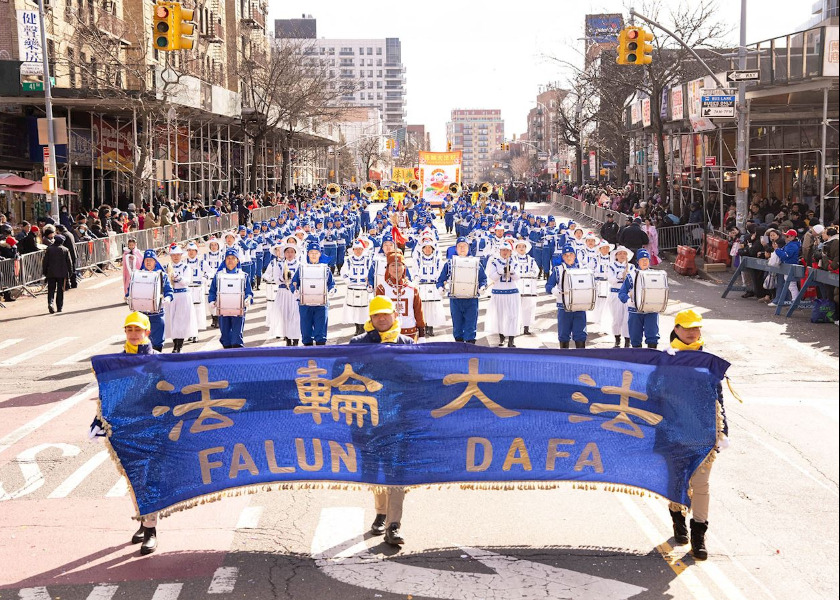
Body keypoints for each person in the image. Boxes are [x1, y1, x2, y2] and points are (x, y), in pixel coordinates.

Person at [88, 312, 162, 555]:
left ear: (147, 332)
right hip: (125, 429)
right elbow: (108, 395)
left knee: (148, 477)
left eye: (137, 330)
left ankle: (151, 531)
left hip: (151, 429)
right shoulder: (116, 363)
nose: (133, 334)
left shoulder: (159, 361)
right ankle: (144, 520)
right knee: (133, 479)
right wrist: (100, 419)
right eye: (129, 330)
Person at [348, 296, 415, 545]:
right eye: (377, 315)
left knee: (396, 472)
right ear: (371, 318)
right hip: (367, 418)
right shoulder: (358, 344)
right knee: (375, 470)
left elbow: (416, 377)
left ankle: (394, 525)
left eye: (386, 314)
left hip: (398, 418)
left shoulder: (406, 342)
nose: (382, 319)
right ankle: (381, 514)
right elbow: (343, 374)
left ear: (394, 315)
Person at [664, 309, 727, 560]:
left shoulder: (708, 361)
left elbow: (718, 397)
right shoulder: (665, 360)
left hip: (704, 431)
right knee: (678, 482)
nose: (692, 332)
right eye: (687, 327)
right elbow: (652, 392)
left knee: (701, 485)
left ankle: (699, 536)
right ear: (676, 329)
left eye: (696, 328)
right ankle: (678, 519)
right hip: (673, 431)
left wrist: (724, 430)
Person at [436, 237, 487, 344]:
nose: (462, 248)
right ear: (456, 248)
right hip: (456, 299)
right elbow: (440, 280)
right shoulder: (449, 264)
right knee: (457, 325)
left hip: (471, 299)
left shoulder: (476, 263)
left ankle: (469, 349)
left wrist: (482, 287)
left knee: (471, 325)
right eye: (460, 246)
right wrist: (441, 288)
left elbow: (483, 278)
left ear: (468, 248)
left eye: (464, 246)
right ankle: (459, 348)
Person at [128, 250, 175, 352]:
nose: (148, 262)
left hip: (157, 314)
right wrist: (128, 296)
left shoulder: (162, 276)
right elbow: (130, 290)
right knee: (141, 339)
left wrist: (167, 298)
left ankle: (156, 362)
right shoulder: (138, 275)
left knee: (157, 339)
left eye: (150, 260)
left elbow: (169, 291)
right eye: (146, 260)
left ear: (155, 262)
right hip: (142, 314)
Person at [290, 242, 336, 346]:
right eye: (311, 252)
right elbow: (293, 283)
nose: (314, 255)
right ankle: (308, 356)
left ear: (320, 254)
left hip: (321, 305)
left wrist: (331, 291)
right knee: (306, 332)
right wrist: (295, 291)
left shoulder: (326, 269)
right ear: (308, 254)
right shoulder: (302, 268)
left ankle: (320, 356)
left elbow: (332, 284)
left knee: (321, 333)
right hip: (305, 305)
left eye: (316, 253)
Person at [207, 249, 254, 349]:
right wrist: (211, 301)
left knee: (237, 334)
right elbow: (212, 291)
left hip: (238, 309)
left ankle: (237, 355)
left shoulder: (243, 276)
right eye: (228, 258)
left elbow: (249, 292)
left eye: (233, 258)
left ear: (237, 261)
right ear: (224, 260)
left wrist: (247, 300)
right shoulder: (219, 275)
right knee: (225, 334)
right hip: (223, 309)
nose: (230, 260)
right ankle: (227, 353)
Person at [375, 252, 425, 340]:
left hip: (410, 332)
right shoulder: (382, 289)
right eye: (393, 265)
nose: (396, 268)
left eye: (399, 265)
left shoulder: (412, 288)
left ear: (404, 267)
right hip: (388, 333)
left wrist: (421, 334)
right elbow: (377, 314)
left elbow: (418, 312)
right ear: (388, 268)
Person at [547, 243, 587, 348]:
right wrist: (553, 290)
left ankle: (581, 360)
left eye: (571, 254)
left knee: (580, 334)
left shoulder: (583, 268)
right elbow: (548, 285)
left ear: (575, 255)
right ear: (562, 257)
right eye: (566, 255)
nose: (568, 257)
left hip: (580, 305)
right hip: (563, 306)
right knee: (564, 334)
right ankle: (564, 359)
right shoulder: (557, 269)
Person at [618, 249, 661, 348]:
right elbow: (622, 293)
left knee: (652, 336)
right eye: (642, 259)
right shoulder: (631, 275)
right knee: (635, 338)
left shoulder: (655, 275)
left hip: (651, 310)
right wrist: (628, 300)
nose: (645, 262)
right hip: (635, 311)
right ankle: (637, 360)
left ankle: (652, 360)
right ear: (638, 261)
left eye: (647, 259)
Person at [485, 241, 521, 347]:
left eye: (507, 250)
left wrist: (512, 271)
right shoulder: (495, 262)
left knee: (512, 316)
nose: (505, 252)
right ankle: (501, 336)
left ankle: (511, 339)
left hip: (512, 292)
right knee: (500, 315)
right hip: (499, 292)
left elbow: (518, 277)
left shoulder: (515, 262)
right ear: (500, 251)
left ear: (510, 252)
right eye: (503, 250)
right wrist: (500, 272)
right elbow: (492, 277)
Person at [607, 246, 634, 348]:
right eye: (620, 253)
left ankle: (627, 340)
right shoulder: (611, 266)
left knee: (628, 319)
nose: (622, 255)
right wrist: (620, 275)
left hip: (627, 296)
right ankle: (617, 339)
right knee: (617, 318)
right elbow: (611, 279)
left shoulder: (631, 267)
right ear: (616, 256)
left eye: (624, 253)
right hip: (615, 294)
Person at [42, 234, 73, 314]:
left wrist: (45, 272)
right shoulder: (65, 250)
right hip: (62, 274)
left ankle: (50, 303)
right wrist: (70, 273)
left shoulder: (49, 249)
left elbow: (45, 262)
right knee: (60, 290)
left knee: (51, 290)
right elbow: (69, 263)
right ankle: (59, 307)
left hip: (51, 273)